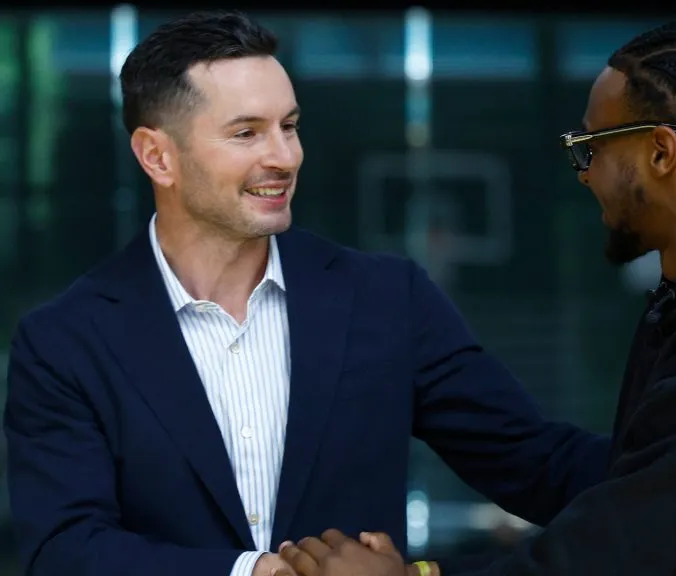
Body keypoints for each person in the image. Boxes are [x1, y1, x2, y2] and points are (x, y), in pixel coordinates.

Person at [277, 16, 676, 575]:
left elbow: (616, 553)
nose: (584, 175)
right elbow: (640, 478)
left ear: (661, 152)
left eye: (589, 149)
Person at [2, 11, 610, 576]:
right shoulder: (64, 340)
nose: (285, 156)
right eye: (247, 133)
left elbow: (537, 464)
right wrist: (252, 572)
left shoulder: (387, 299)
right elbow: (61, 550)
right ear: (157, 155)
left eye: (289, 127)